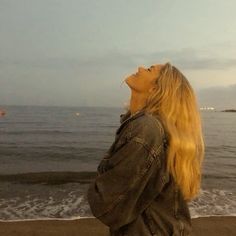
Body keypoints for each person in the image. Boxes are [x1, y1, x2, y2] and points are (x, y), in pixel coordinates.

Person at [87, 62, 205, 235]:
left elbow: (108, 206)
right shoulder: (150, 126)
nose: (140, 68)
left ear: (156, 89)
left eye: (150, 70)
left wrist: (96, 189)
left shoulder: (146, 129)